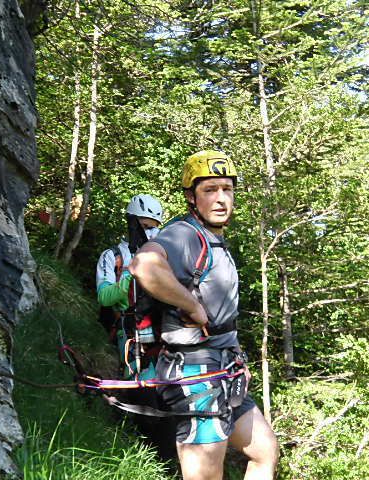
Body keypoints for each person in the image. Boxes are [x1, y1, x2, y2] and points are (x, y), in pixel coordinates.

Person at [129, 150, 279, 480]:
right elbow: (143, 265)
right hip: (196, 373)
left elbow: (224, 316)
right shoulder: (185, 234)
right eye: (210, 190)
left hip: (224, 366)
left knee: (264, 451)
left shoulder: (212, 239)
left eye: (227, 189)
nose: (221, 198)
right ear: (191, 197)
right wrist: (191, 305)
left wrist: (237, 357)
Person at [95, 193, 176, 462]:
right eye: (145, 224)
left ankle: (166, 457)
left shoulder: (165, 255)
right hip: (130, 332)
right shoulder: (114, 256)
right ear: (132, 222)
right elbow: (105, 297)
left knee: (167, 392)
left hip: (164, 333)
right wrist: (131, 273)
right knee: (139, 389)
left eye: (155, 224)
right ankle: (133, 449)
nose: (151, 230)